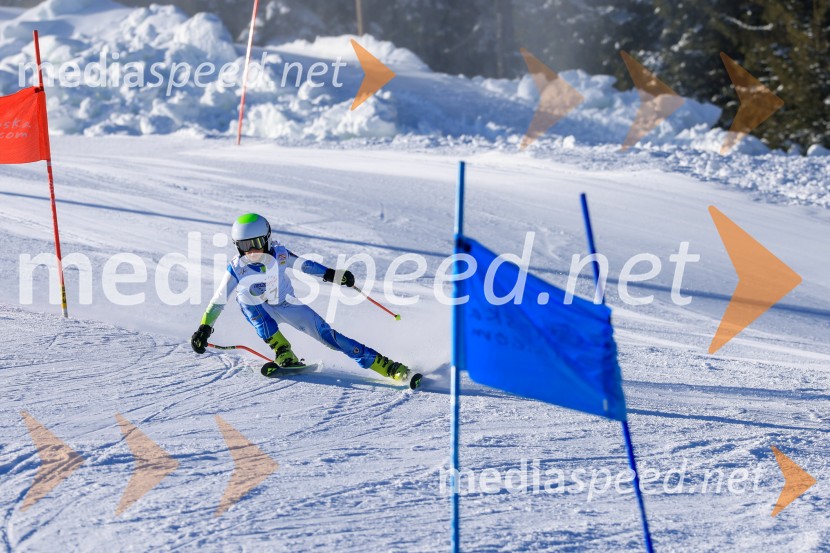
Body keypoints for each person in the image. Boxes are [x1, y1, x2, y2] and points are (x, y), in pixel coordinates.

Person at [191, 213, 410, 382]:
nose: (251, 251)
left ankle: (388, 367)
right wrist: (204, 328)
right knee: (244, 298)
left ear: (266, 240)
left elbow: (305, 265)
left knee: (330, 337)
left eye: (255, 243)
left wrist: (331, 274)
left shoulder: (280, 255)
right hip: (260, 308)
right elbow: (218, 301)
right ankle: (282, 351)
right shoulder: (237, 269)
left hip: (288, 305)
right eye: (244, 246)